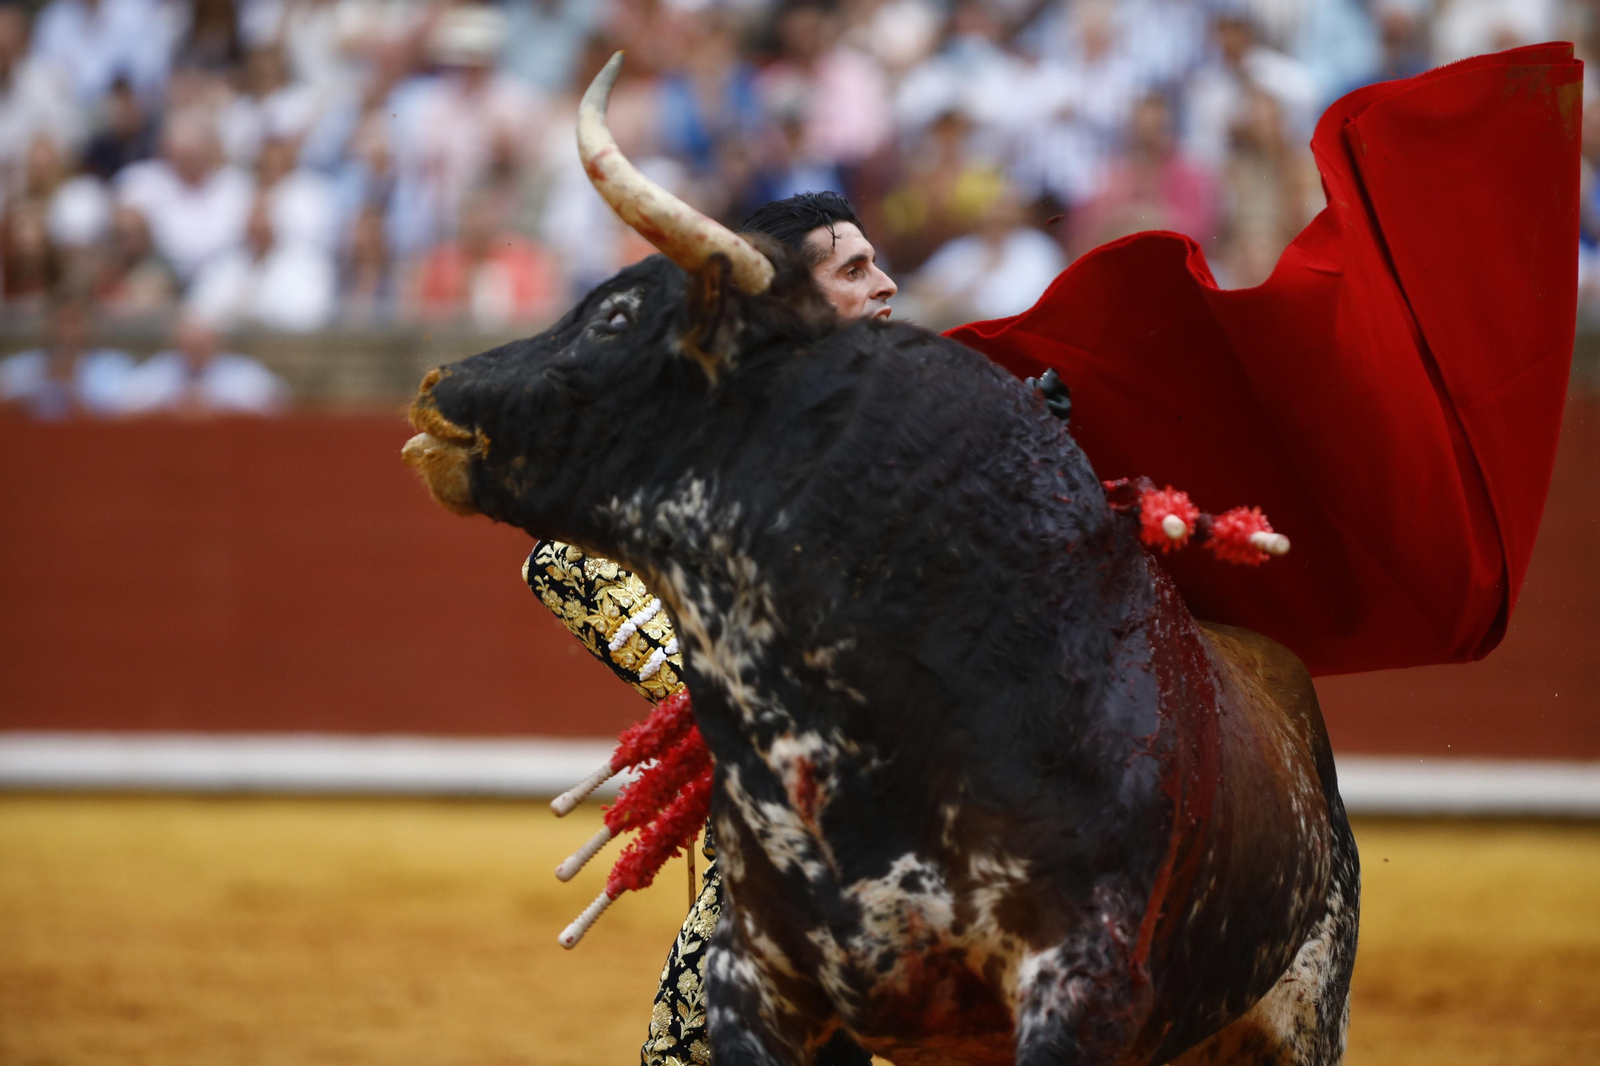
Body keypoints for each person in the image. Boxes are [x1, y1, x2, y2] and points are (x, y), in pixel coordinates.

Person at [0, 293, 135, 419]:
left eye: (74, 322)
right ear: (46, 325)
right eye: (59, 322)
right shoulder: (19, 367)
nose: (66, 332)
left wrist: (70, 382)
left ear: (91, 326)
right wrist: (42, 380)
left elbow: (118, 410)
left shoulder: (114, 366)